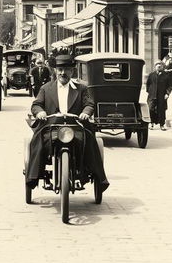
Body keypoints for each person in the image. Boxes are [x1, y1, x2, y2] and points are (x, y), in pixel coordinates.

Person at [25, 54, 109, 192]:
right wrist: (40, 112)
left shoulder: (81, 88)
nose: (63, 73)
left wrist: (85, 113)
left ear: (72, 71)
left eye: (67, 70)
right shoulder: (46, 88)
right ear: (55, 71)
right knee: (37, 140)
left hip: (75, 127)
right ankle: (33, 175)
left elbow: (89, 104)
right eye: (60, 69)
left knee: (89, 140)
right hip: (51, 128)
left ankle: (95, 176)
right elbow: (36, 104)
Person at [145, 60, 172, 131]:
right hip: (152, 95)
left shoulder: (166, 75)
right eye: (157, 65)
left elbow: (170, 86)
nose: (159, 66)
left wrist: (167, 93)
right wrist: (150, 92)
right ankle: (151, 123)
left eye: (160, 65)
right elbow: (148, 84)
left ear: (162, 67)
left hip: (162, 95)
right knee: (151, 109)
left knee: (161, 110)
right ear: (155, 66)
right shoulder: (151, 75)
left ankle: (162, 124)